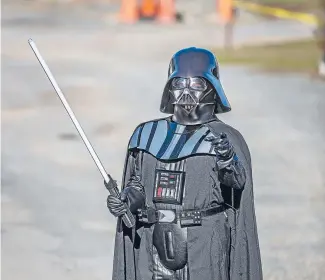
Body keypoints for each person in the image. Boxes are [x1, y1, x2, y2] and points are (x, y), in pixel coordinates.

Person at [106, 47, 263, 280]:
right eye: (179, 83)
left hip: (203, 248)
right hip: (152, 246)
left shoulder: (224, 138)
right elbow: (138, 184)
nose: (186, 92)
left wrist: (228, 161)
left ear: (212, 88)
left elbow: (236, 188)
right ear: (170, 87)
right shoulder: (146, 136)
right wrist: (127, 199)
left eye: (196, 85)